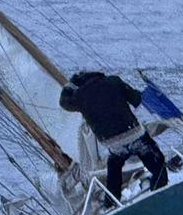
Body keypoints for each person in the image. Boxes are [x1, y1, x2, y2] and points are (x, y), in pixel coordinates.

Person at [59, 71, 168, 204]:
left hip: (112, 142)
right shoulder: (113, 81)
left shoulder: (79, 96)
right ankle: (159, 192)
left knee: (114, 167)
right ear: (98, 75)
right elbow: (136, 99)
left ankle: (111, 202)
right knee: (156, 162)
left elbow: (63, 103)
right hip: (132, 133)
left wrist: (68, 87)